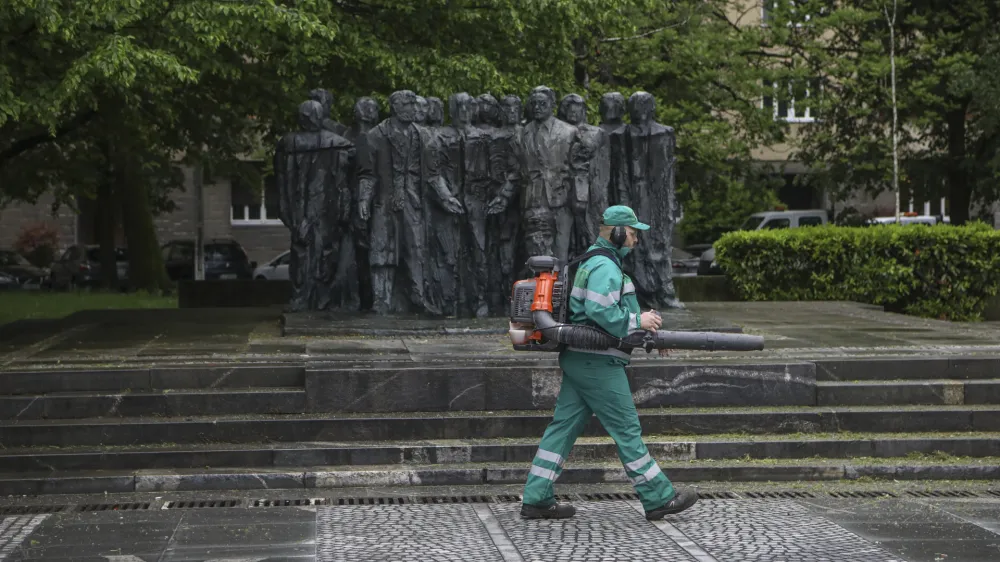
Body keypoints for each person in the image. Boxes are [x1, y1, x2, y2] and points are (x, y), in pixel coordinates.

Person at [520, 205, 699, 521]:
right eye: (632, 233)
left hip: (581, 361)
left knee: (562, 429)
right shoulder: (605, 266)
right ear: (616, 233)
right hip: (598, 364)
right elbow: (602, 313)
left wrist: (651, 337)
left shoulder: (597, 263)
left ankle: (536, 497)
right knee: (626, 429)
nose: (635, 240)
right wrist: (638, 320)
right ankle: (659, 497)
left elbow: (611, 318)